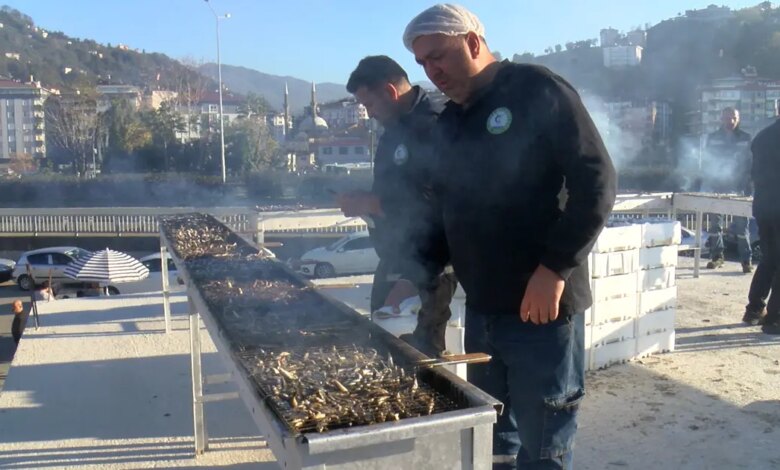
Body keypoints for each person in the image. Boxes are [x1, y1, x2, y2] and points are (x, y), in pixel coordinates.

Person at [396, 4, 617, 469]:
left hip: (542, 310)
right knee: (490, 435)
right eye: (422, 64)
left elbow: (596, 181)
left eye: (438, 56)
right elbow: (445, 210)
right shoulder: (451, 120)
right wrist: (417, 270)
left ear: (472, 43)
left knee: (544, 444)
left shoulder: (536, 89)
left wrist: (555, 268)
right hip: (483, 311)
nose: (431, 72)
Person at [336, 55, 457, 356]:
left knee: (421, 360)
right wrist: (364, 199)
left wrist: (375, 203)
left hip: (429, 268)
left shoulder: (436, 125)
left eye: (370, 105)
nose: (369, 114)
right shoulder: (393, 132)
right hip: (394, 257)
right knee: (382, 350)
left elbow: (442, 203)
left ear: (391, 92)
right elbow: (396, 192)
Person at [702, 107, 753, 272]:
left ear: (738, 119)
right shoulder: (713, 138)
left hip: (740, 187)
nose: (730, 121)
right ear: (721, 119)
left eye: (734, 118)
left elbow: (751, 163)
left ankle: (746, 260)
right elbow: (707, 162)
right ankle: (717, 257)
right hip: (717, 186)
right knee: (715, 225)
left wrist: (748, 183)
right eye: (727, 118)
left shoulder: (746, 138)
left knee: (741, 227)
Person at [749, 110, 780, 335]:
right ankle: (774, 319)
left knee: (769, 258)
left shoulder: (761, 137)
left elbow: (753, 172)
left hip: (763, 206)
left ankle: (753, 309)